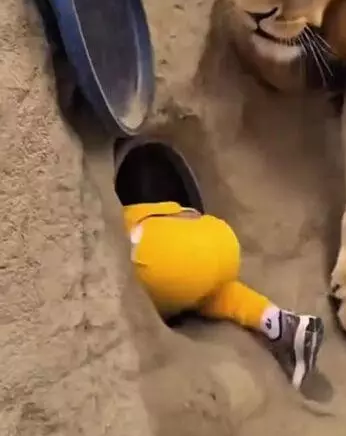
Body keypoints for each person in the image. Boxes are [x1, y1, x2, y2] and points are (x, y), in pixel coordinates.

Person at [116, 143, 324, 391]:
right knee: (219, 295)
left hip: (167, 257)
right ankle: (289, 326)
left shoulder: (125, 215)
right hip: (218, 236)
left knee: (141, 273)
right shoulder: (162, 207)